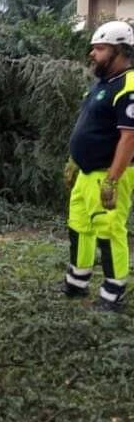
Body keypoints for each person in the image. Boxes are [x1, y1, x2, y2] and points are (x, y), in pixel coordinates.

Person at [64, 20, 134, 312]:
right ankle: (77, 281)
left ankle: (113, 290)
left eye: (100, 48)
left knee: (109, 231)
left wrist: (113, 180)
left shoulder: (129, 85)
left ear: (120, 50)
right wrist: (73, 160)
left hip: (109, 172)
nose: (93, 53)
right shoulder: (103, 83)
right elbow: (88, 124)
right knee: (79, 225)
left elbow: (129, 138)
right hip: (87, 172)